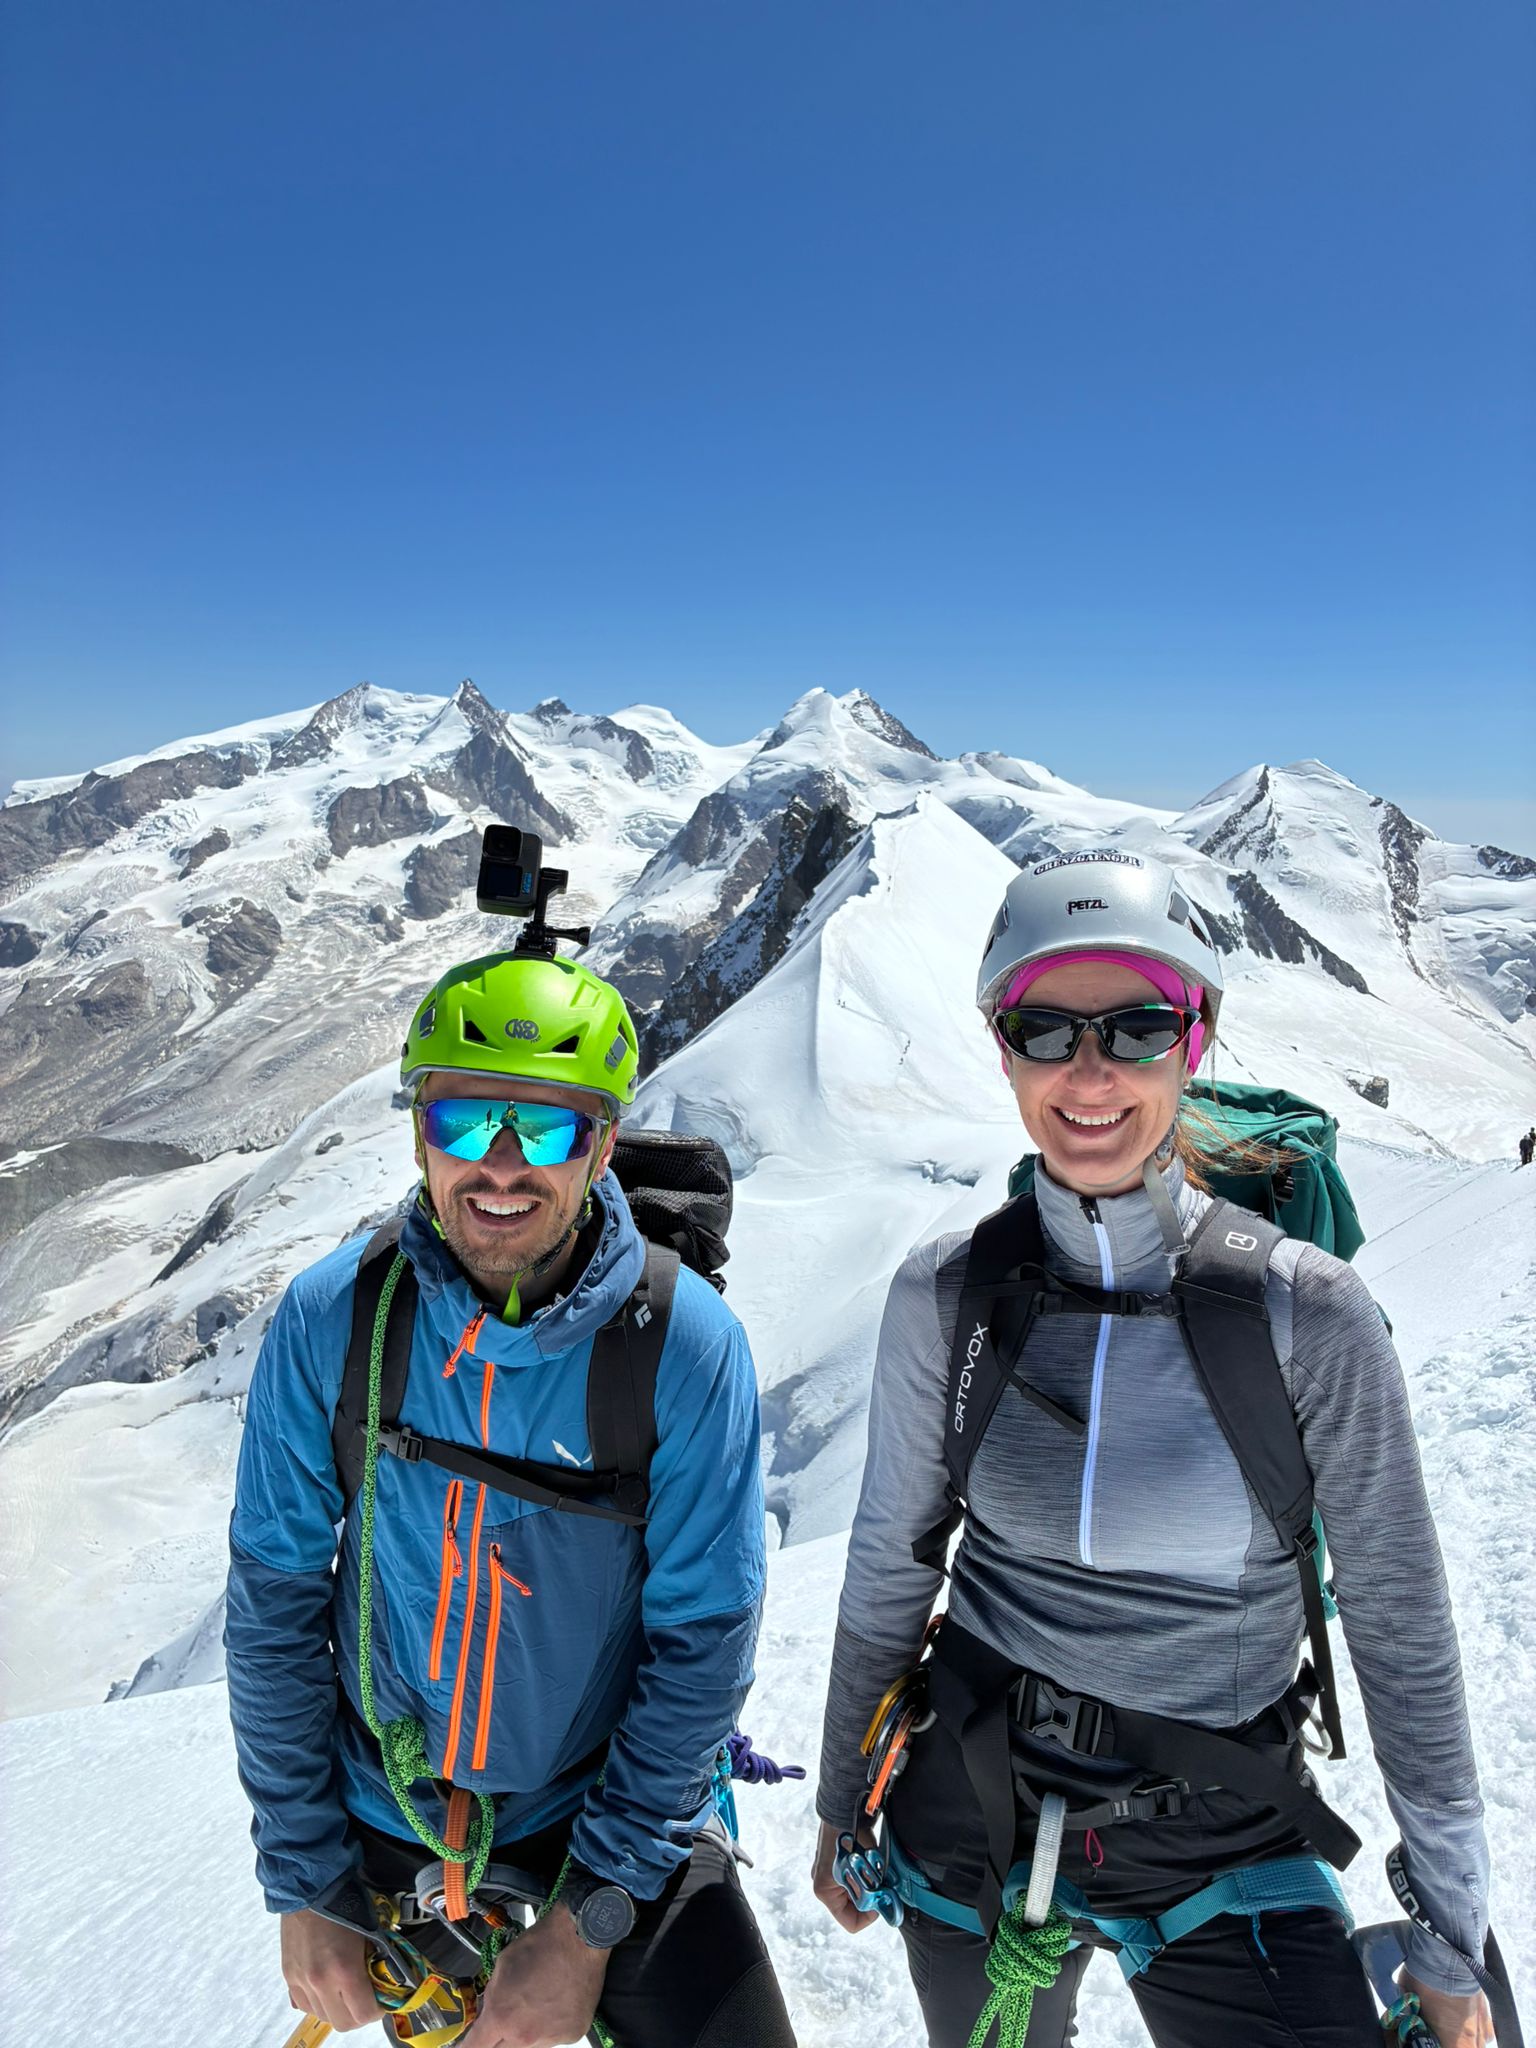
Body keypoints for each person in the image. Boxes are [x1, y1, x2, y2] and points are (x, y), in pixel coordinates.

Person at [811, 851, 1495, 2048]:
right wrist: (838, 1800)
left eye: (1137, 1027)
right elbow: (890, 1560)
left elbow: (1403, 1632)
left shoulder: (1305, 1312)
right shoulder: (948, 1293)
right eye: (1045, 1028)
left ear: (1198, 1036)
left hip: (1219, 1812)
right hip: (970, 1790)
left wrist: (1450, 1927)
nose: (1089, 1073)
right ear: (1000, 1042)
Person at [227, 948, 796, 2048]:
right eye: (463, 1121)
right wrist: (306, 1880)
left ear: (603, 1144)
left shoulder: (680, 1346)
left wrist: (587, 1926)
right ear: (417, 1130)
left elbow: (703, 1648)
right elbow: (276, 1607)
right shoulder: (336, 1320)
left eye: (545, 1130)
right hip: (388, 1813)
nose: (499, 1167)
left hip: (612, 1808)